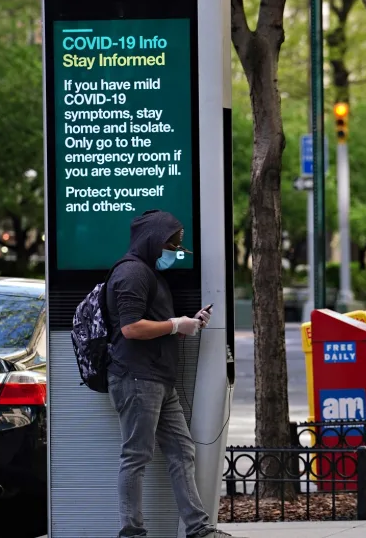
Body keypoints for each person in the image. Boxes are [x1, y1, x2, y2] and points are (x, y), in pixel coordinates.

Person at [105, 210, 237, 538]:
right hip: (137, 378)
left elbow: (150, 326)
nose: (177, 251)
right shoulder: (133, 273)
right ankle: (131, 532)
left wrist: (184, 324)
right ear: (153, 240)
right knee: (136, 455)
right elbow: (131, 328)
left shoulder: (148, 272)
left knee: (182, 452)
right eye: (173, 243)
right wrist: (178, 324)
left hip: (157, 379)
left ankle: (198, 529)